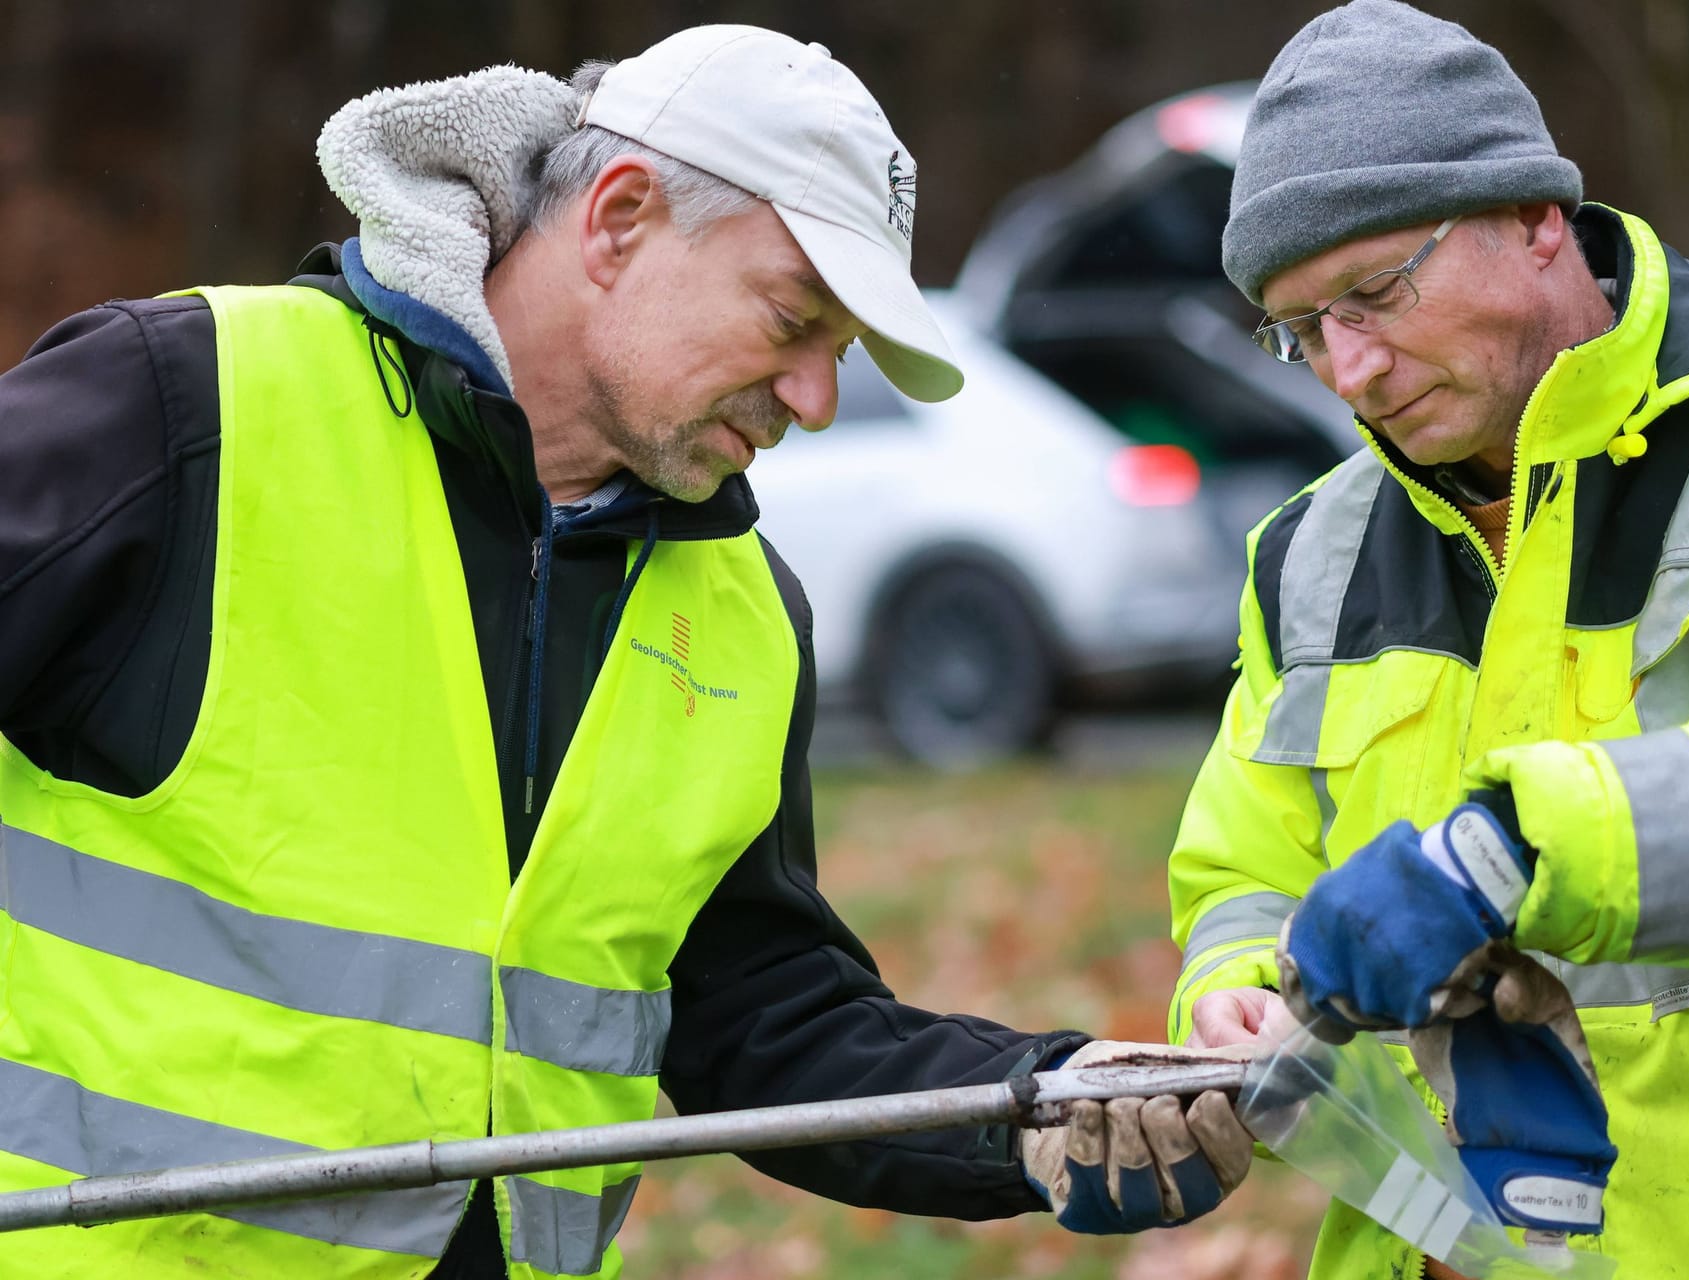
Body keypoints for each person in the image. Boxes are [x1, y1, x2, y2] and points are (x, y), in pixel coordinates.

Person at [0, 26, 1254, 1280]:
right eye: (792, 319)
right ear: (618, 219)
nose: (815, 397)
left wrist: (1034, 1103)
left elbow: (762, 1011)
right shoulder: (190, 410)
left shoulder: (749, 612)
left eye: (844, 356)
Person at [1169, 2, 1689, 1277]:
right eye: (1301, 330)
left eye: (1374, 291)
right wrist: (1237, 991)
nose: (1348, 372)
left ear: (1534, 219)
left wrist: (1510, 852)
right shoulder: (1311, 553)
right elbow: (1247, 865)